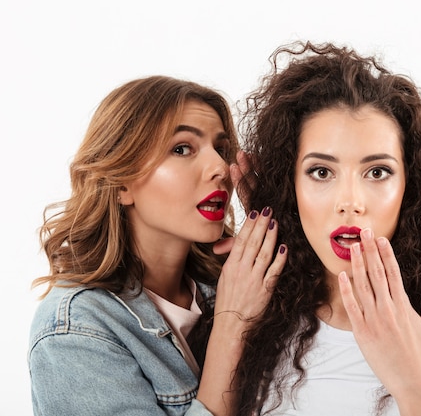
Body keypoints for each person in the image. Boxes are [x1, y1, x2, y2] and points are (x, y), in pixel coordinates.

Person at [231, 41, 421, 416]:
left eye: (377, 172)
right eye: (321, 172)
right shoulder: (245, 319)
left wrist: (417, 389)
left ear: (413, 186)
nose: (349, 201)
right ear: (290, 185)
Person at [28, 75, 287, 416]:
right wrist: (232, 322)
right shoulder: (75, 329)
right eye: (182, 149)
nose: (219, 169)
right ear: (121, 184)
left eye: (221, 150)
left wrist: (277, 247)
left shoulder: (227, 284)